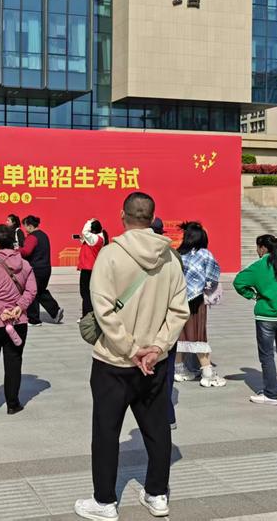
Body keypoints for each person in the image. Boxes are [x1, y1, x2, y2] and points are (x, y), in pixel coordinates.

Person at [74, 192, 189, 521]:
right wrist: (158, 347)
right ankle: (157, 495)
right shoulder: (170, 258)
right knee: (158, 430)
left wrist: (129, 348)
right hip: (154, 363)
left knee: (106, 432)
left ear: (123, 215)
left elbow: (103, 309)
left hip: (113, 361)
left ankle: (105, 501)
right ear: (152, 218)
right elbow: (179, 311)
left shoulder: (110, 254)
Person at [0, 224, 38, 414]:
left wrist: (0, 310)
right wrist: (19, 307)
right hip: (18, 322)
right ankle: (12, 403)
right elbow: (32, 290)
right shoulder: (25, 265)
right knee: (14, 363)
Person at [232, 234, 277, 405]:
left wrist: (253, 295)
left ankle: (270, 394)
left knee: (267, 355)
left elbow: (238, 282)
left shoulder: (259, 265)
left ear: (263, 248)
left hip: (266, 315)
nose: (256, 250)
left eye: (257, 247)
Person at [174, 221, 228, 388]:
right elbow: (212, 278)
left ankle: (179, 370)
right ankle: (207, 373)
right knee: (198, 334)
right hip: (197, 300)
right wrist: (207, 289)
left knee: (180, 334)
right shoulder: (205, 254)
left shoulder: (177, 254)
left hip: (177, 299)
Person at [19, 215, 63, 324]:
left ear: (30, 226)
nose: (25, 229)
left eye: (25, 226)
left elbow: (26, 252)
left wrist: (16, 250)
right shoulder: (44, 235)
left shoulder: (32, 237)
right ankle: (55, 311)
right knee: (40, 291)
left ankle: (34, 319)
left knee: (32, 292)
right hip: (45, 268)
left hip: (36, 269)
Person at [77, 218, 108, 317]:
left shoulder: (95, 238)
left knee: (85, 294)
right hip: (92, 269)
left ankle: (87, 316)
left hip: (88, 269)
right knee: (89, 293)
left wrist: (89, 221)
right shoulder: (100, 237)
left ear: (93, 231)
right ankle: (89, 314)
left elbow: (85, 232)